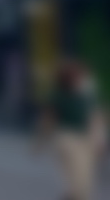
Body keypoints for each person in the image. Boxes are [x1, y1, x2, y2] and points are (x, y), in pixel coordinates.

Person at [37, 60, 106, 200]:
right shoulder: (85, 96)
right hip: (77, 141)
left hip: (64, 140)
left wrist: (40, 141)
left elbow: (47, 121)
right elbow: (96, 120)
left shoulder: (57, 95)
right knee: (81, 184)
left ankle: (71, 195)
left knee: (74, 182)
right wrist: (99, 141)